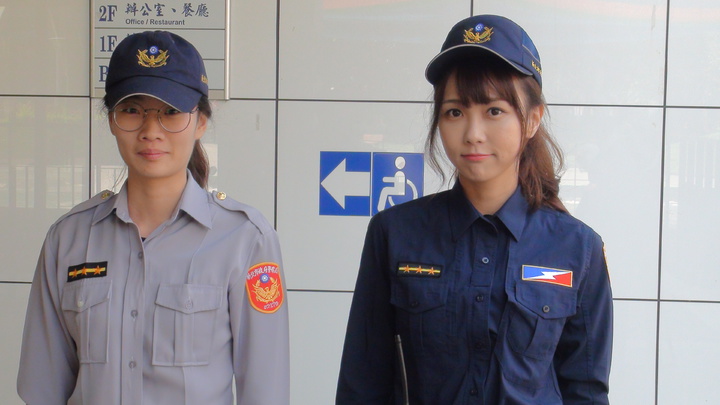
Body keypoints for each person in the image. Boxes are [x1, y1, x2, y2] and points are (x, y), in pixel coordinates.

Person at [336, 15, 612, 404]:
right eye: (455, 112)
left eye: (494, 110)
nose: (472, 133)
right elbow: (362, 382)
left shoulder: (577, 248)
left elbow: (585, 390)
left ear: (532, 119)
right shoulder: (395, 233)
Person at [17, 31, 289, 405]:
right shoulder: (69, 239)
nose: (150, 131)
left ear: (201, 121)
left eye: (171, 112)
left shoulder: (245, 239)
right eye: (132, 110)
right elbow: (42, 388)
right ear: (111, 120)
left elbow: (265, 390)